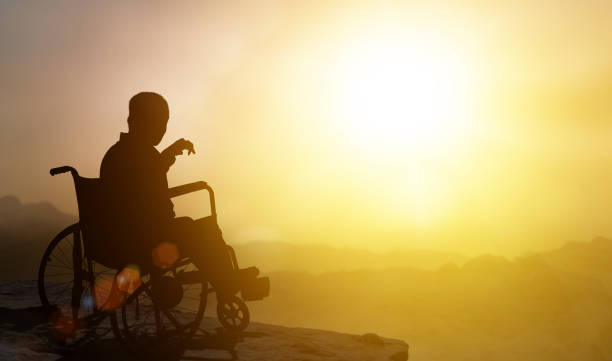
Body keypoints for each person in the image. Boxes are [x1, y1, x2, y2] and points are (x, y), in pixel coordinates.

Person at [99, 92, 257, 296]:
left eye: (163, 124)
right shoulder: (134, 155)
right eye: (155, 123)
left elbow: (145, 178)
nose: (161, 130)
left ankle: (225, 278)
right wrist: (168, 155)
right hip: (144, 238)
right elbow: (143, 185)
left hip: (129, 234)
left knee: (190, 225)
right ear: (132, 121)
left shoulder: (119, 153)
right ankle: (226, 281)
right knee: (203, 230)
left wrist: (168, 154)